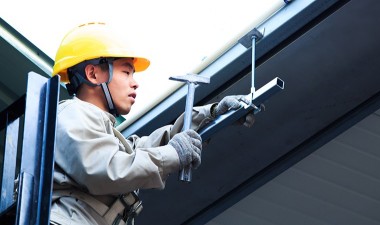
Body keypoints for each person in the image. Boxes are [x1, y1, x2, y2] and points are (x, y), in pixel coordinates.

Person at [50, 22, 254, 225]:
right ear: (93, 74)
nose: (135, 82)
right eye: (126, 72)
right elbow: (107, 169)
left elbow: (144, 149)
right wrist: (174, 153)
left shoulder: (101, 130)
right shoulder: (73, 113)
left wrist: (211, 114)